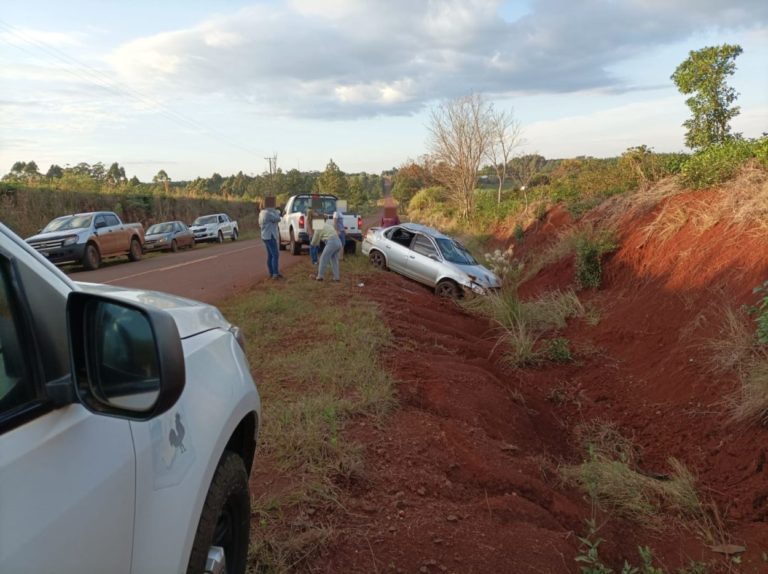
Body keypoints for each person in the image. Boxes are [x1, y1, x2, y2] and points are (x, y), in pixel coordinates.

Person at [311, 215, 342, 282]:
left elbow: (314, 241)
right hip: (338, 242)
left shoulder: (318, 227)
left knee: (323, 258)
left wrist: (312, 244)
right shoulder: (327, 225)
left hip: (331, 242)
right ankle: (336, 278)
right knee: (334, 261)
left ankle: (320, 277)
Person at [258, 205, 282, 279]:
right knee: (275, 255)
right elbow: (278, 219)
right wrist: (276, 212)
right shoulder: (267, 214)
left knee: (270, 255)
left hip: (265, 235)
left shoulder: (261, 213)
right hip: (270, 235)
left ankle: (272, 272)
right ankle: (275, 273)